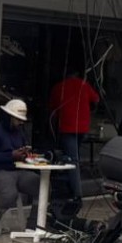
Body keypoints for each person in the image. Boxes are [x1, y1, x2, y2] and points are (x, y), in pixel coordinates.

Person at [0, 99, 40, 237]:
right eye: (18, 119)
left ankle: (33, 223)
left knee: (41, 185)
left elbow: (21, 152)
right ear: (9, 117)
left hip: (17, 171)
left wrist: (25, 155)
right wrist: (11, 155)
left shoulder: (19, 133)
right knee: (10, 193)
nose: (21, 122)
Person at [49, 69, 100, 213]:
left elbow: (52, 108)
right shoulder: (83, 85)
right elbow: (96, 99)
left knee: (72, 161)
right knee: (72, 158)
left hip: (66, 127)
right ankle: (71, 189)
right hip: (82, 128)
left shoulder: (59, 87)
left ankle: (77, 194)